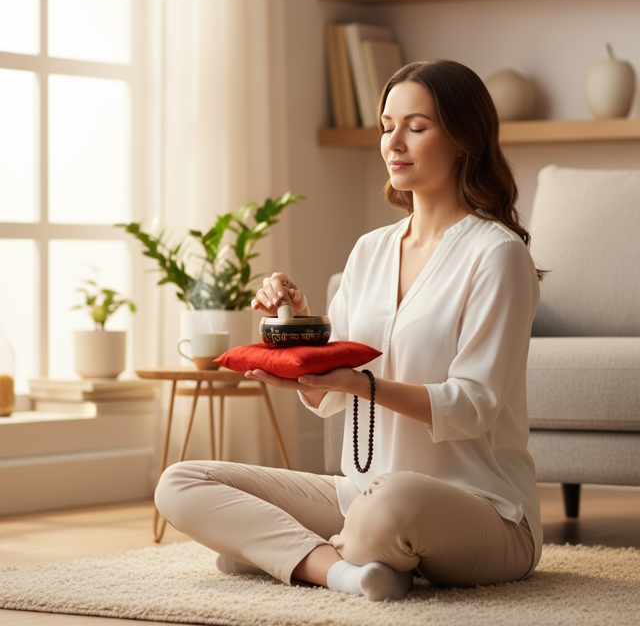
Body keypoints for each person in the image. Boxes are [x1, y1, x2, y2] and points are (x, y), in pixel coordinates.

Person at [155, 59, 544, 601]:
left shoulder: (498, 254)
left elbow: (473, 406)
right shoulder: (370, 251)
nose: (395, 142)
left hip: (482, 509)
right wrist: (300, 331)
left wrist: (360, 384)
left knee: (390, 505)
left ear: (462, 138)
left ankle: (287, 551)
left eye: (417, 126)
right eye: (387, 126)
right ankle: (345, 570)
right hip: (357, 494)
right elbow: (330, 399)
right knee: (181, 483)